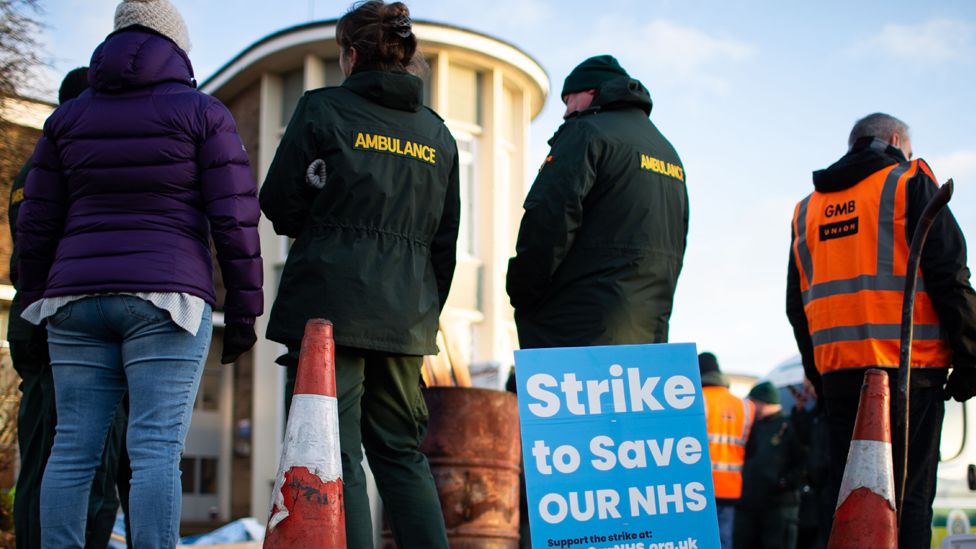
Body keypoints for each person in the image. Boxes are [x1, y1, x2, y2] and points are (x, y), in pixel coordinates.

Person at [16, 0, 263, 546]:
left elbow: (36, 221)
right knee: (155, 448)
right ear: (177, 48)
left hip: (74, 299)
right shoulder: (202, 113)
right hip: (166, 297)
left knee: (72, 446)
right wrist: (244, 310)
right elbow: (236, 217)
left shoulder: (67, 119)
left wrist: (34, 301)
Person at [259, 1, 459, 547]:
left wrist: (320, 208)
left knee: (335, 450)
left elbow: (279, 202)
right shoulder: (437, 135)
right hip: (405, 315)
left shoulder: (321, 111)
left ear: (349, 56)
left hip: (329, 309)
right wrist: (420, 313)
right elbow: (445, 240)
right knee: (400, 452)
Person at [786, 112, 976, 547]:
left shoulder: (807, 211)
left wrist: (818, 376)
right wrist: (970, 360)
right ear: (894, 140)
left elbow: (797, 308)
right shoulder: (907, 180)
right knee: (905, 504)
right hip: (911, 374)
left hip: (839, 381)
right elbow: (950, 275)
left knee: (850, 502)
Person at [8, 67, 131, 549]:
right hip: (73, 322)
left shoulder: (35, 166)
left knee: (42, 459)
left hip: (33, 322)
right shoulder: (75, 159)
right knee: (89, 458)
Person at [506, 55, 688, 349]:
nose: (566, 113)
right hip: (648, 336)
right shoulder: (669, 152)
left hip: (579, 330)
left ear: (591, 92)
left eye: (569, 100)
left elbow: (550, 220)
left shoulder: (586, 133)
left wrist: (521, 290)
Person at [733, 381, 803, 549]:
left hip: (778, 507)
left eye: (752, 402)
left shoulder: (789, 426)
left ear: (761, 402)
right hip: (749, 506)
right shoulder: (752, 426)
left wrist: (785, 483)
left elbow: (802, 462)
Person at [698, 352, 755, 549]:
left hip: (701, 488)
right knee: (724, 540)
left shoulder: (697, 400)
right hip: (731, 487)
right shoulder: (745, 406)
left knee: (700, 540)